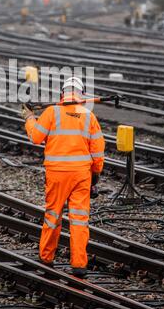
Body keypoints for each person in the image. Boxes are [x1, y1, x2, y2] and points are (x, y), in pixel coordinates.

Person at [22, 77, 105, 277]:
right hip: (81, 175)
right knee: (79, 219)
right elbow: (98, 151)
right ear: (81, 95)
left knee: (53, 216)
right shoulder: (88, 116)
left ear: (62, 94)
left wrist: (29, 118)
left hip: (57, 174)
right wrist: (95, 175)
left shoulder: (51, 112)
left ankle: (47, 257)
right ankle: (79, 264)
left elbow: (36, 137)